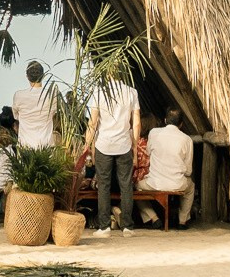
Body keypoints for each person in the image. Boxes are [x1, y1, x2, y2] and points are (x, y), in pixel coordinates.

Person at [82, 74, 141, 235]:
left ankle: (104, 226)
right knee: (126, 185)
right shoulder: (131, 92)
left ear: (108, 73)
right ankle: (128, 226)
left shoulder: (99, 92)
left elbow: (93, 123)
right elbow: (136, 123)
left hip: (104, 144)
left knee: (104, 186)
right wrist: (134, 147)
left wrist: (87, 144)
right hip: (124, 144)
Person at [138, 109, 195, 228]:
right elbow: (189, 170)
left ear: (165, 120)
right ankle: (182, 221)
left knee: (135, 187)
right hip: (177, 184)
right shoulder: (187, 140)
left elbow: (148, 152)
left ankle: (153, 218)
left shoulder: (153, 133)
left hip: (154, 183)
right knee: (191, 187)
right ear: (181, 124)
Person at [12, 61, 57, 147]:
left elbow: (16, 116)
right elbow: (53, 113)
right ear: (43, 75)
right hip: (46, 145)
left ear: (27, 77)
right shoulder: (52, 95)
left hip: (25, 147)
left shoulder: (19, 95)